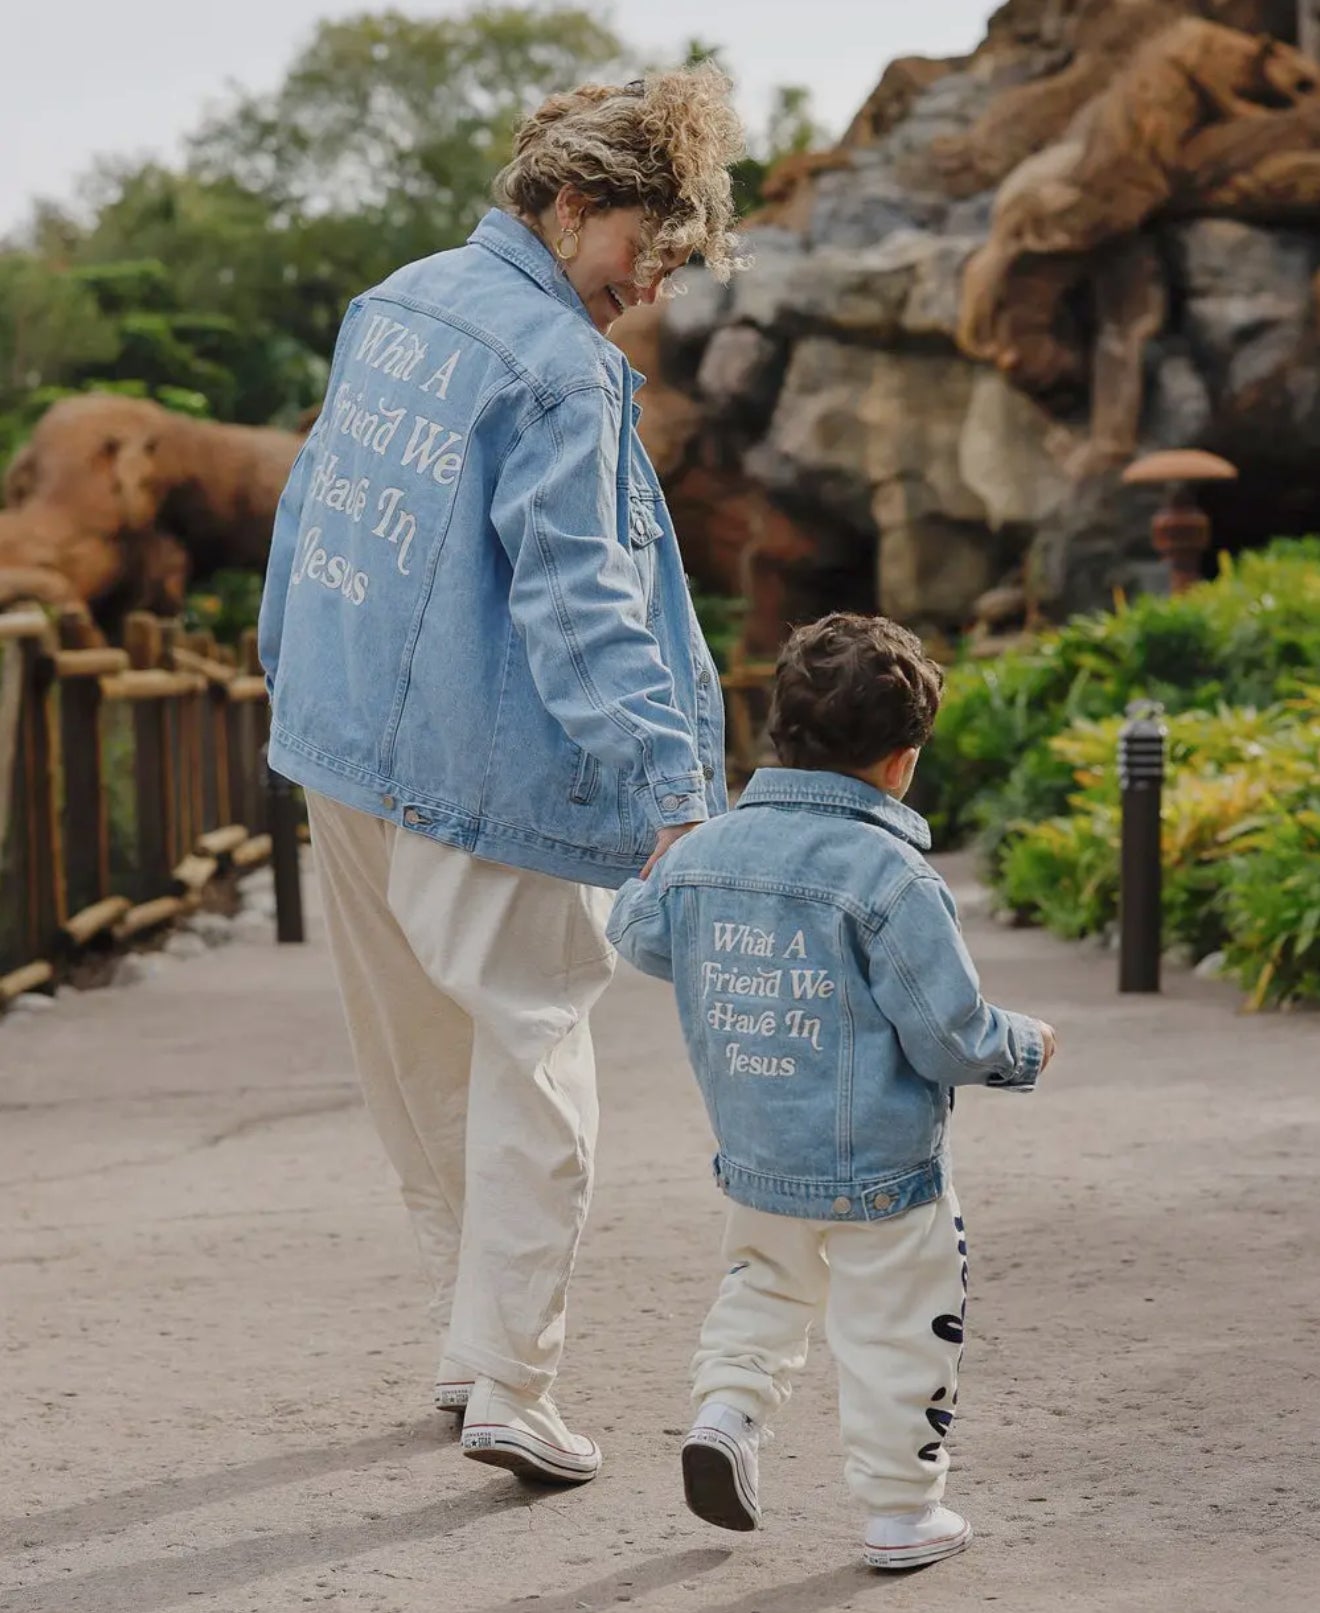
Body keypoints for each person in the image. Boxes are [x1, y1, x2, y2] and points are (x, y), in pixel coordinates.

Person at [258, 65, 746, 1485]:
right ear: (573, 200)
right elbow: (579, 598)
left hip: (347, 746)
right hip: (484, 769)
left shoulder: (397, 303)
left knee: (422, 1062)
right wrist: (671, 790)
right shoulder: (558, 367)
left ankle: (472, 1349)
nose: (649, 288)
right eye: (645, 248)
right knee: (531, 1055)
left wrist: (291, 674)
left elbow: (311, 511)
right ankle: (514, 1383)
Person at [607, 613, 1058, 1567]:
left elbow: (644, 934)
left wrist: (660, 874)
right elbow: (947, 1035)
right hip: (886, 1174)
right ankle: (900, 1511)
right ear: (902, 762)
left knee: (761, 1287)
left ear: (780, 732)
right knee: (900, 1328)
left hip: (759, 1156)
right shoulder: (894, 877)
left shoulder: (708, 852)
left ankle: (726, 1414)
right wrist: (1023, 1044)